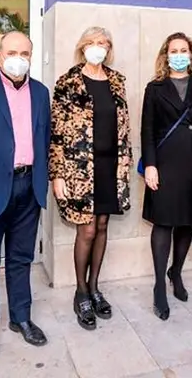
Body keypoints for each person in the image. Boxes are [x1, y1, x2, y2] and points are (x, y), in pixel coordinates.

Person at [0, 31, 51, 361]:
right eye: (12, 52)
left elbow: (46, 139)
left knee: (21, 259)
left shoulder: (41, 93)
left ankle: (21, 317)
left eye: (25, 52)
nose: (19, 58)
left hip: (29, 186)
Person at [50, 27, 133, 331]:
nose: (98, 48)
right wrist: (57, 174)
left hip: (111, 167)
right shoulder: (67, 83)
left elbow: (123, 128)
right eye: (92, 43)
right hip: (79, 168)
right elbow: (56, 133)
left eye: (103, 43)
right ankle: (81, 292)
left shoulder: (116, 81)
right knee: (85, 230)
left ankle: (95, 286)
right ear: (82, 47)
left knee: (101, 225)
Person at [141, 32, 192, 321]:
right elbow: (147, 130)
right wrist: (150, 165)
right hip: (164, 164)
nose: (179, 54)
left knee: (186, 220)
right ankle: (159, 286)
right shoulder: (155, 87)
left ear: (191, 54)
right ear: (166, 55)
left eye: (183, 49)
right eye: (173, 50)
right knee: (163, 222)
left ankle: (176, 271)